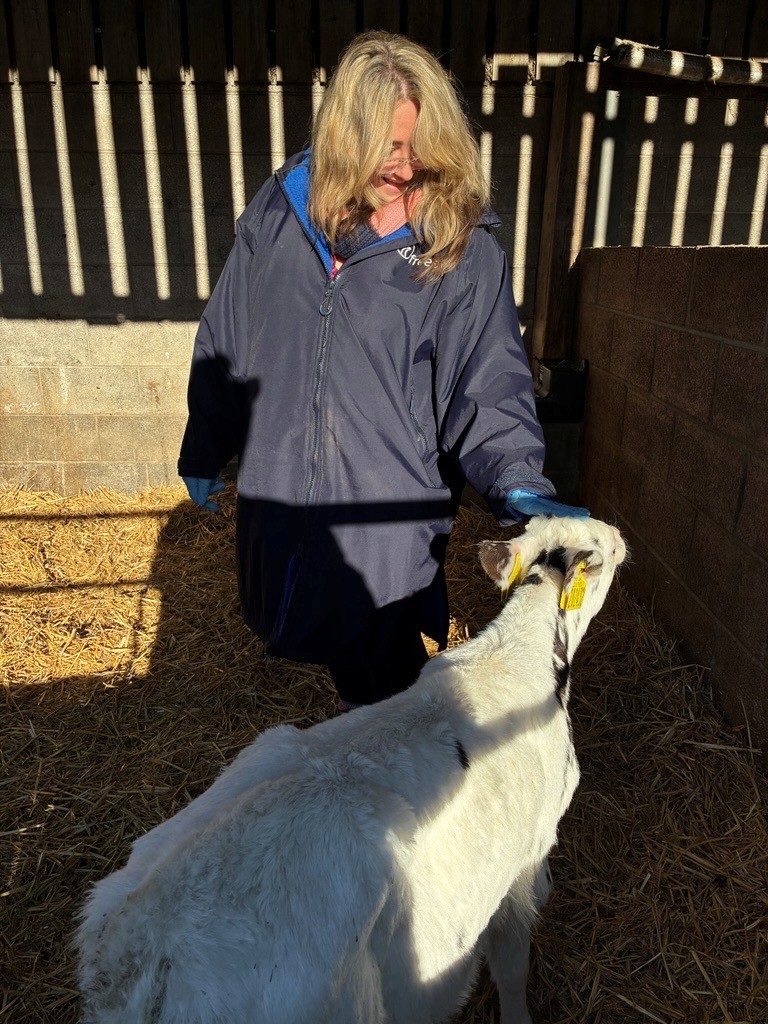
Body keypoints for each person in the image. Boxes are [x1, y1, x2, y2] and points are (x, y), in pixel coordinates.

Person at [178, 31, 587, 711]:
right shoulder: (281, 213)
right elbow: (229, 338)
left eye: (421, 148)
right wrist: (206, 441)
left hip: (385, 515)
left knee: (386, 670)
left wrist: (518, 477)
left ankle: (407, 795)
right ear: (346, 135)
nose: (407, 166)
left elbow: (488, 381)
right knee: (333, 649)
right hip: (287, 494)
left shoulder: (458, 247)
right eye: (389, 148)